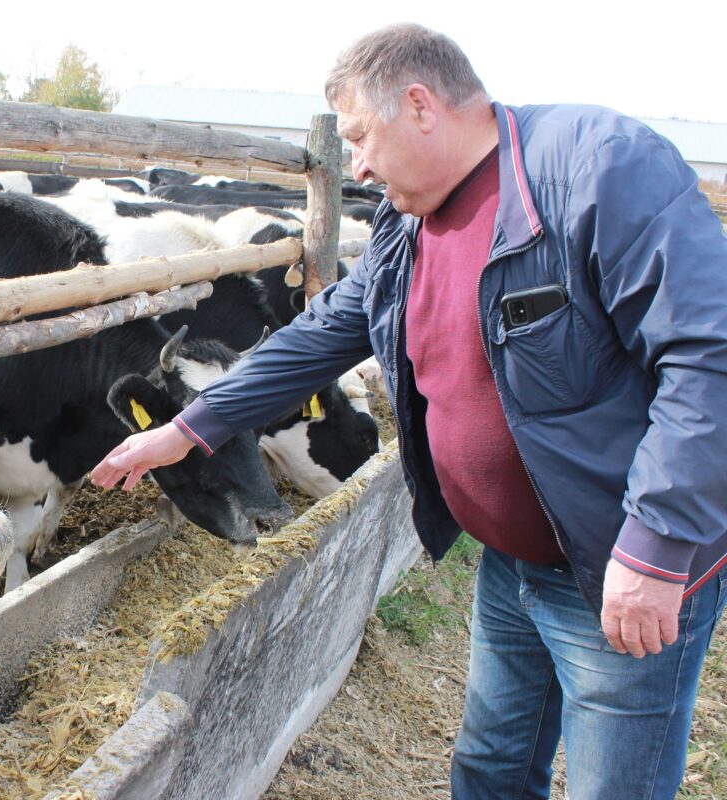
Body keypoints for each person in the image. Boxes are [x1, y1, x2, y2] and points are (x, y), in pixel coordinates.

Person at [90, 23, 727, 800]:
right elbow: (326, 332)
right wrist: (191, 426)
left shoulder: (599, 169)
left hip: (615, 568)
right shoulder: (407, 222)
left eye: (360, 136)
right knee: (491, 766)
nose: (353, 162)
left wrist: (657, 545)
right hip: (512, 559)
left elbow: (708, 357)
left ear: (420, 105)